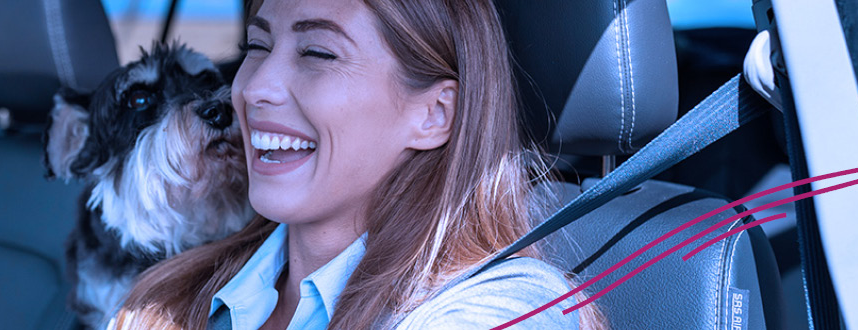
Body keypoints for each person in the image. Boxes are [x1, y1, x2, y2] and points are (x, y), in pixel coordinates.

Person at [111, 0, 606, 328]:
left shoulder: (505, 308)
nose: (253, 87)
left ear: (434, 115)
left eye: (319, 53)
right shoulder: (164, 300)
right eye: (257, 47)